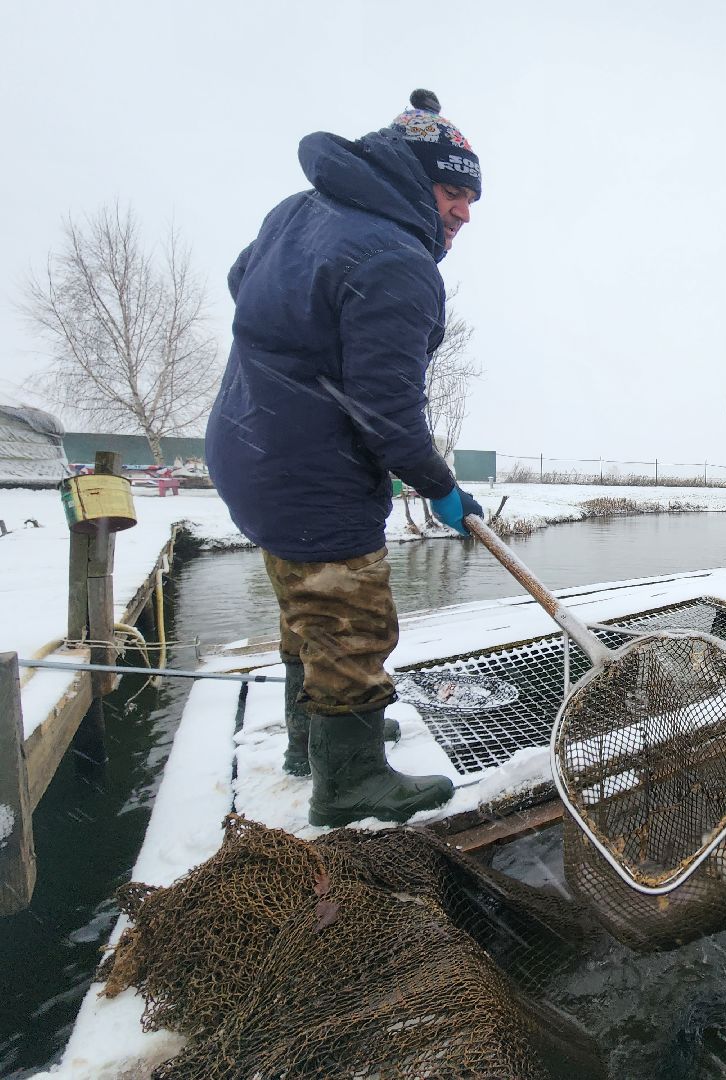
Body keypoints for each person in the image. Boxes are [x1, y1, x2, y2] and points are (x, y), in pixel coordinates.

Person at [206, 90, 487, 827]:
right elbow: (389, 413)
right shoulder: (396, 259)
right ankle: (351, 779)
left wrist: (303, 361)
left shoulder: (299, 212)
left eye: (470, 197)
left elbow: (243, 283)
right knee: (352, 621)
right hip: (313, 469)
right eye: (452, 191)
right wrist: (442, 488)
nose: (463, 211)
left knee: (305, 612)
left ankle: (313, 744)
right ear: (410, 177)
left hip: (248, 448)